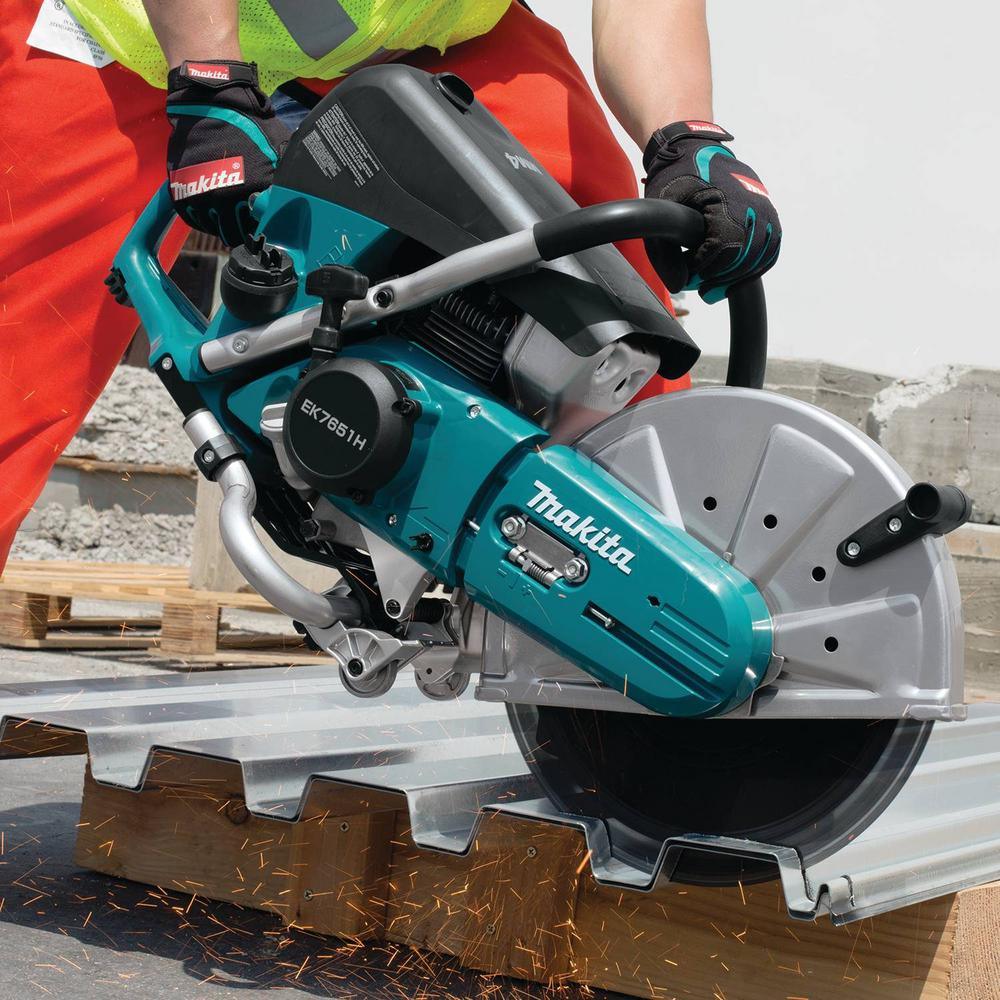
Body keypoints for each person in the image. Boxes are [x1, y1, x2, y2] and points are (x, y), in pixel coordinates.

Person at [0, 0, 780, 569]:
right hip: (128, 38)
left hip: (434, 37)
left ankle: (657, 613)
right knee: (15, 372)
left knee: (618, 345)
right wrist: (208, 82)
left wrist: (686, 139)